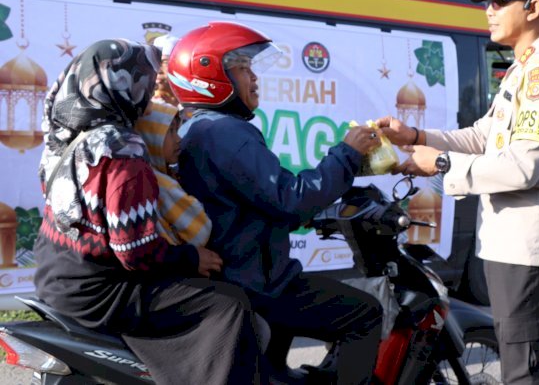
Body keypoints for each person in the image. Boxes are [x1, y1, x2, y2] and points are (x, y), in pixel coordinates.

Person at [377, 0, 539, 385]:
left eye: (499, 1)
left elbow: (521, 167)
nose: (488, 10)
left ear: (532, 7)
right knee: (518, 363)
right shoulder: (523, 69)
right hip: (511, 241)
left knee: (525, 372)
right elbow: (483, 136)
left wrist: (436, 163)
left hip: (531, 246)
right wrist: (415, 135)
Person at [33, 39, 265, 384]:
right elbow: (135, 253)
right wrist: (191, 257)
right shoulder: (123, 153)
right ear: (127, 86)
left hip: (56, 277)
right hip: (98, 291)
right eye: (142, 78)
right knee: (229, 305)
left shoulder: (72, 137)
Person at [167, 21, 384, 385]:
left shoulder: (196, 128)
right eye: (242, 67)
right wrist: (347, 153)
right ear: (210, 75)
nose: (254, 77)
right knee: (364, 314)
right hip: (258, 285)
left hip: (244, 275)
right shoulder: (224, 131)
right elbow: (291, 199)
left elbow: (258, 199)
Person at [134, 100, 212, 246]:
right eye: (170, 131)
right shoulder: (160, 183)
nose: (178, 139)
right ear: (150, 137)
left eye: (177, 130)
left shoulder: (156, 175)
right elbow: (200, 231)